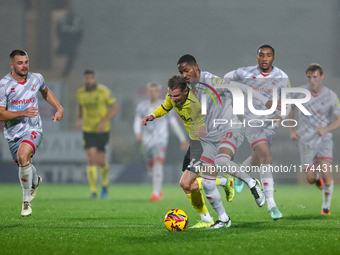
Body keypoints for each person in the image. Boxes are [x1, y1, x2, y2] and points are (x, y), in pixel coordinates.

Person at [177, 54, 274, 228]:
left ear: (195, 67)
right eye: (181, 72)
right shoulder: (193, 88)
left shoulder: (212, 81)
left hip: (230, 129)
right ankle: (223, 219)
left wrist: (265, 101)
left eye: (186, 70)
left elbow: (241, 88)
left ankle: (252, 183)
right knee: (207, 182)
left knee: (222, 161)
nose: (184, 75)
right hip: (211, 138)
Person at [142, 75, 234, 229]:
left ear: (186, 91)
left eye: (177, 96)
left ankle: (222, 213)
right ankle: (208, 215)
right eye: (171, 95)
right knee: (187, 186)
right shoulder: (171, 97)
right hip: (195, 145)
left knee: (186, 182)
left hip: (207, 144)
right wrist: (152, 115)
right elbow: (165, 107)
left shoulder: (198, 100)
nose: (174, 99)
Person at [225, 44, 291, 220]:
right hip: (252, 122)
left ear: (273, 59)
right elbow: (226, 77)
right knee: (266, 157)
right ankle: (272, 205)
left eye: (268, 55)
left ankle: (241, 174)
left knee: (257, 159)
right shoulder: (246, 72)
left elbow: (288, 98)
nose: (264, 58)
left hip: (271, 124)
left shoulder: (282, 76)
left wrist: (282, 116)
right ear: (257, 57)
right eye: (261, 55)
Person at [0, 49, 64, 217]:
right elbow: (1, 114)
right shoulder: (4, 85)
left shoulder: (36, 78)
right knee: (23, 161)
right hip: (13, 133)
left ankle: (26, 201)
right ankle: (35, 181)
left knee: (23, 156)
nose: (24, 66)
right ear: (12, 65)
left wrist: (59, 108)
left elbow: (45, 91)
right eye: (20, 63)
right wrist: (21, 112)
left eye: (26, 62)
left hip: (33, 129)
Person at [288, 63, 340, 215]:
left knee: (327, 172)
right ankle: (317, 179)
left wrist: (326, 129)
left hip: (324, 139)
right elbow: (291, 108)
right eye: (309, 77)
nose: (312, 80)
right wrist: (292, 129)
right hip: (306, 140)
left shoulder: (330, 96)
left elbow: (338, 119)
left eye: (315, 77)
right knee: (310, 179)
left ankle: (326, 207)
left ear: (321, 77)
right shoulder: (300, 93)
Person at [134, 82, 189, 201]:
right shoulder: (142, 106)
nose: (153, 93)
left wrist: (182, 138)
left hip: (160, 140)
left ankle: (156, 193)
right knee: (150, 168)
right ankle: (157, 188)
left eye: (155, 91)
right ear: (147, 92)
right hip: (146, 141)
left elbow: (173, 123)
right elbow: (137, 120)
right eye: (151, 91)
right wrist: (138, 133)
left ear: (159, 92)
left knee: (158, 164)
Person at [76, 70, 119, 199]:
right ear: (84, 79)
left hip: (102, 130)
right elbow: (80, 107)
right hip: (88, 129)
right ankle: (94, 191)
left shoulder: (104, 92)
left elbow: (115, 108)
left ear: (94, 79)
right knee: (91, 159)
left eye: (91, 78)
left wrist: (104, 121)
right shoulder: (80, 93)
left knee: (101, 161)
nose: (89, 80)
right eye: (86, 78)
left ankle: (105, 184)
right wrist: (79, 119)